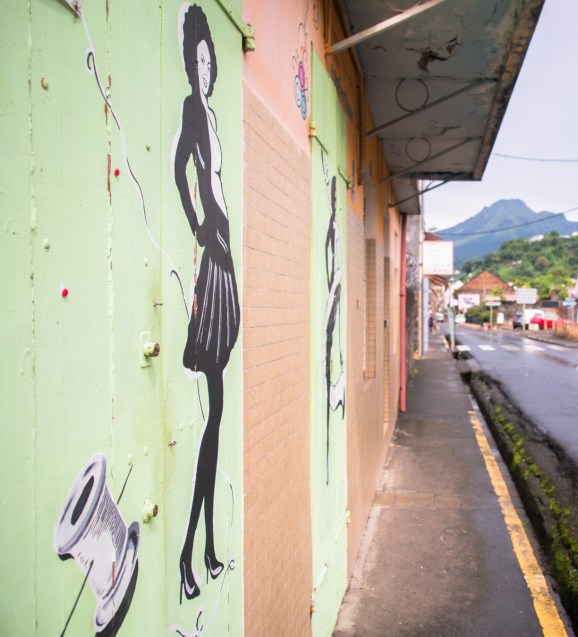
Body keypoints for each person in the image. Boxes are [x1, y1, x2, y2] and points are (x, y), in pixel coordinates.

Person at [172, 4, 240, 603]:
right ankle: (193, 555)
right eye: (194, 60)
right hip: (213, 258)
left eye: (207, 58)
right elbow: (178, 172)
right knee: (213, 418)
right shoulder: (195, 112)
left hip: (224, 258)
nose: (203, 68)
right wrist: (198, 226)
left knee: (216, 419)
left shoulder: (214, 114)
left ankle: (206, 550)